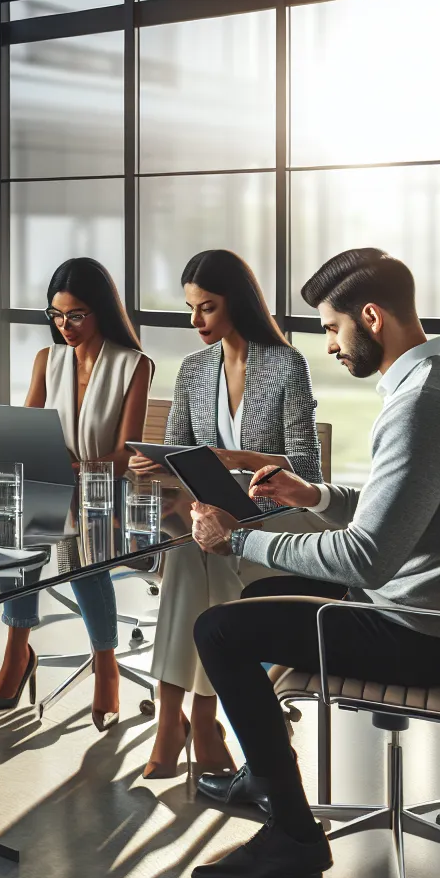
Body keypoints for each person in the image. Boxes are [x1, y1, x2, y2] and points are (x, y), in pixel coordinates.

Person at [185, 248, 440, 878]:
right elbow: (403, 512)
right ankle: (265, 769)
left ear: (371, 316)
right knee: (271, 593)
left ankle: (293, 837)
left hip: (420, 632)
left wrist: (239, 540)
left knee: (219, 631)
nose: (330, 346)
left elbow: (368, 555)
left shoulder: (424, 405)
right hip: (426, 606)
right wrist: (314, 497)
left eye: (333, 328)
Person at [126, 249, 323, 779]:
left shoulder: (285, 365)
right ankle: (191, 718)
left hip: (278, 518)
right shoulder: (193, 371)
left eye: (206, 308)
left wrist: (235, 459)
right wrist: (156, 464)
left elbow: (308, 465)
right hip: (214, 518)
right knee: (198, 549)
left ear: (236, 301)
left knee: (197, 553)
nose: (195, 322)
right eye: (190, 308)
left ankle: (186, 721)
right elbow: (178, 456)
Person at [0, 258, 153, 727]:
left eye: (76, 314)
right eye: (56, 315)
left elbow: (124, 452)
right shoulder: (48, 359)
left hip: (104, 490)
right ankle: (18, 650)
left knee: (81, 551)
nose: (65, 325)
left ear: (100, 310)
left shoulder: (133, 365)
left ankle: (106, 665)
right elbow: (27, 427)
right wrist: (41, 458)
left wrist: (80, 468)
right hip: (53, 483)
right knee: (18, 526)